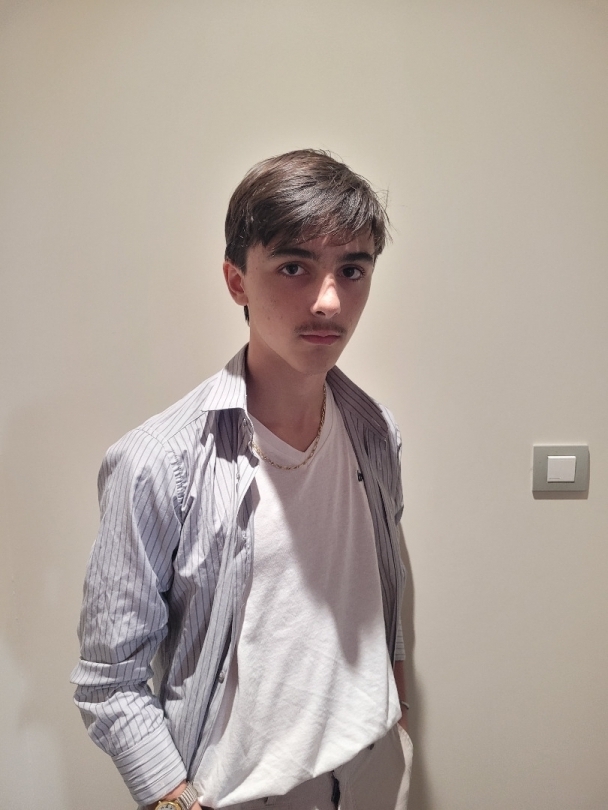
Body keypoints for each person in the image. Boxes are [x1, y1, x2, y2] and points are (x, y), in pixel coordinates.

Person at [72, 149, 412, 810]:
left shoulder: (376, 432)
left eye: (352, 269)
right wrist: (174, 800)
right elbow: (108, 679)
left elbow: (382, 584)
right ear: (237, 281)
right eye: (294, 266)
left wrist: (396, 701)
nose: (329, 300)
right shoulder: (157, 463)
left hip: (374, 770)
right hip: (238, 794)